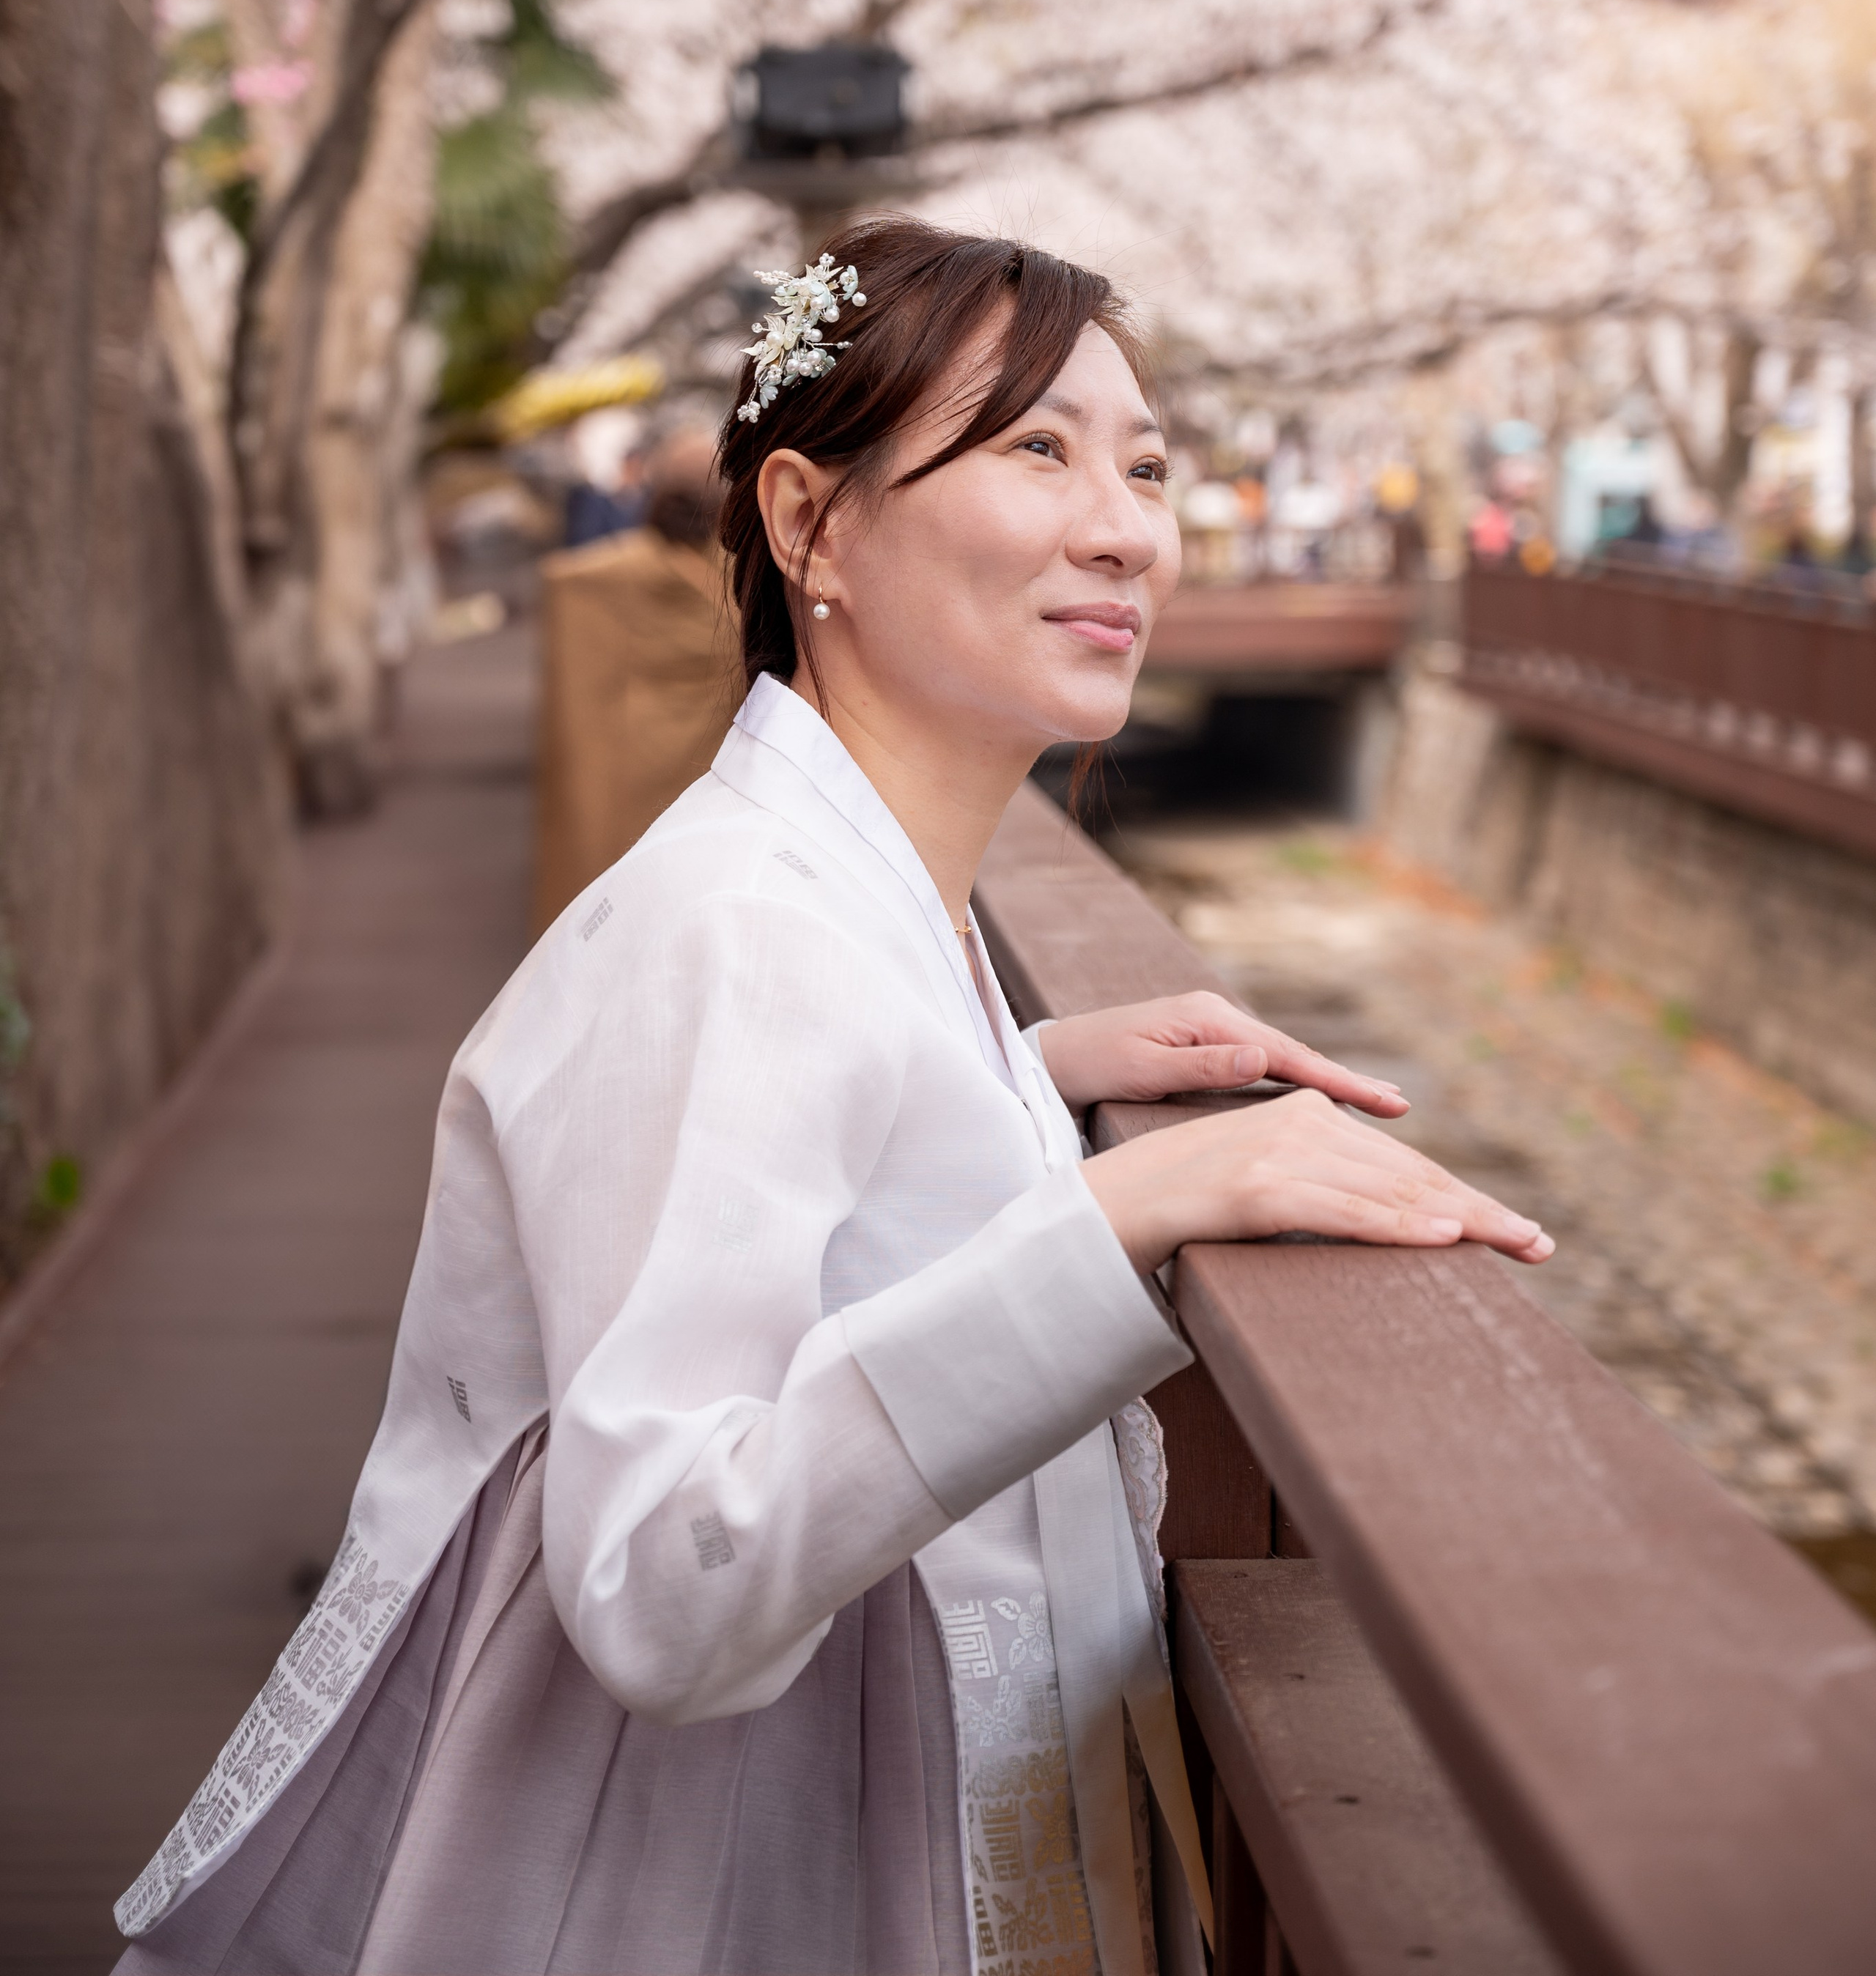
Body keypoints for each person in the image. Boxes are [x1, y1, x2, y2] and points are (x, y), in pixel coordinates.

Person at [114, 219, 1551, 1976]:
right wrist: (1125, 1203)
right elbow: (661, 1580)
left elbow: (805, 1179)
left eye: (1147, 463)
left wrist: (1011, 1079)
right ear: (809, 520)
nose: (1127, 527)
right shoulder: (735, 933)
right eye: (1036, 447)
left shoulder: (833, 903)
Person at [531, 426, 741, 932]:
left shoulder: (612, 572)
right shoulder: (743, 574)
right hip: (714, 758)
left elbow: (562, 581)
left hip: (630, 757)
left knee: (626, 898)